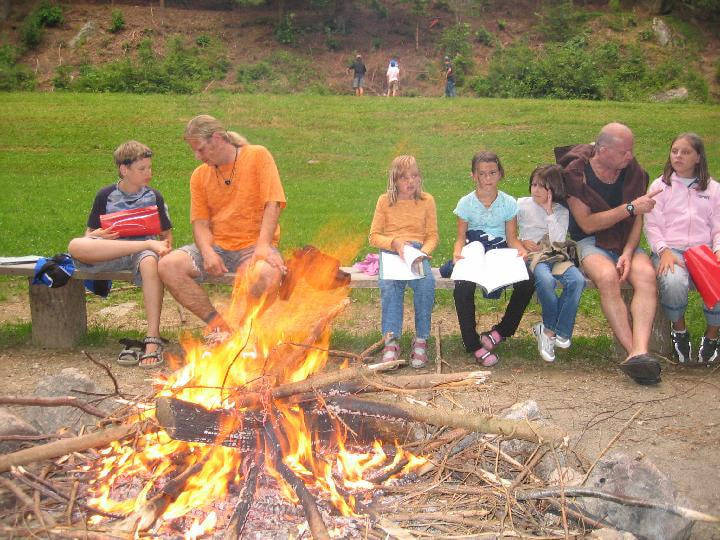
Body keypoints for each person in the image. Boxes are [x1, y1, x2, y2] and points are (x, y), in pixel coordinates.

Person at [157, 115, 286, 340]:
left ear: (217, 138)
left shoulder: (257, 156)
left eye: (200, 149)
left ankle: (244, 329)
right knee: (168, 265)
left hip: (254, 246)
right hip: (218, 248)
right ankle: (220, 327)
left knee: (266, 274)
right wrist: (207, 252)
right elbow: (200, 223)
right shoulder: (199, 176)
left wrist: (263, 246)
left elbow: (272, 204)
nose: (198, 157)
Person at [557, 122, 662, 384]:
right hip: (590, 241)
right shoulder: (575, 175)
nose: (630, 156)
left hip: (626, 241)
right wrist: (629, 208)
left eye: (631, 150)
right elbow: (587, 223)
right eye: (624, 152)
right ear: (603, 150)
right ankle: (634, 353)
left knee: (646, 275)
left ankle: (639, 352)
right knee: (607, 277)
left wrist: (628, 252)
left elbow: (638, 218)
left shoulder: (633, 172)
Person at [68, 141, 172, 368]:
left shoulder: (154, 196)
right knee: (75, 245)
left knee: (149, 260)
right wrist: (97, 234)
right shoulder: (105, 195)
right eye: (142, 169)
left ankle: (152, 338)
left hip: (144, 254)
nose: (149, 173)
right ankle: (144, 244)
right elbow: (89, 235)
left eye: (150, 167)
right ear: (124, 169)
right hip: (111, 250)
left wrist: (163, 249)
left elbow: (166, 235)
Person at [644, 133, 720, 364]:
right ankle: (679, 330)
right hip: (671, 250)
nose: (678, 156)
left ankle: (712, 335)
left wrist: (718, 249)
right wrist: (663, 250)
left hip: (704, 251)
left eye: (685, 152)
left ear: (698, 157)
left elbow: (718, 226)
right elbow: (652, 225)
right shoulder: (660, 186)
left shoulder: (713, 189)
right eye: (675, 151)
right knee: (673, 281)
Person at [452, 151, 533, 367]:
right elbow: (460, 238)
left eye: (492, 173)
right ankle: (472, 343)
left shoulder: (508, 203)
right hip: (474, 251)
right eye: (482, 173)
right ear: (473, 176)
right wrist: (457, 253)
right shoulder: (465, 203)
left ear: (500, 174)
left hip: (499, 252)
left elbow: (512, 238)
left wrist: (521, 251)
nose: (487, 178)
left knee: (528, 280)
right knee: (462, 287)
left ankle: (501, 331)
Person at [369, 155, 438, 368]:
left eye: (414, 176)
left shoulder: (427, 200)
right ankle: (391, 341)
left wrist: (423, 252)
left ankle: (421, 339)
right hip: (392, 252)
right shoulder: (384, 201)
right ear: (394, 180)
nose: (410, 181)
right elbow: (374, 236)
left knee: (426, 284)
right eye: (404, 177)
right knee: (390, 286)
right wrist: (395, 243)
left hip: (416, 252)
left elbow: (432, 236)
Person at [517, 165, 585, 363]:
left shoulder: (560, 211)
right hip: (534, 256)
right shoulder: (521, 204)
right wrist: (522, 242)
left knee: (577, 281)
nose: (536, 190)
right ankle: (554, 331)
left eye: (543, 186)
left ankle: (550, 331)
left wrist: (549, 211)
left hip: (557, 254)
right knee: (546, 281)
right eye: (534, 185)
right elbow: (509, 230)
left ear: (554, 189)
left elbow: (558, 240)